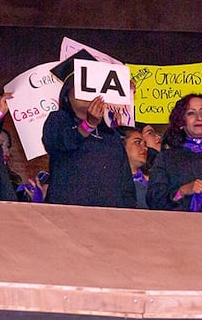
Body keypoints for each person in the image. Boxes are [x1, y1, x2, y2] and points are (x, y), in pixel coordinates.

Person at [41, 59, 136, 208]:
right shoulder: (59, 119)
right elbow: (59, 143)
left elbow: (125, 185)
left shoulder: (111, 135)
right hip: (68, 215)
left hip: (108, 219)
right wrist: (88, 125)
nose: (88, 93)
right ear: (67, 95)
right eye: (81, 87)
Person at [120, 127, 150, 208]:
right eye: (137, 142)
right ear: (121, 145)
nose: (145, 148)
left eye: (145, 144)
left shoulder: (153, 180)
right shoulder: (113, 181)